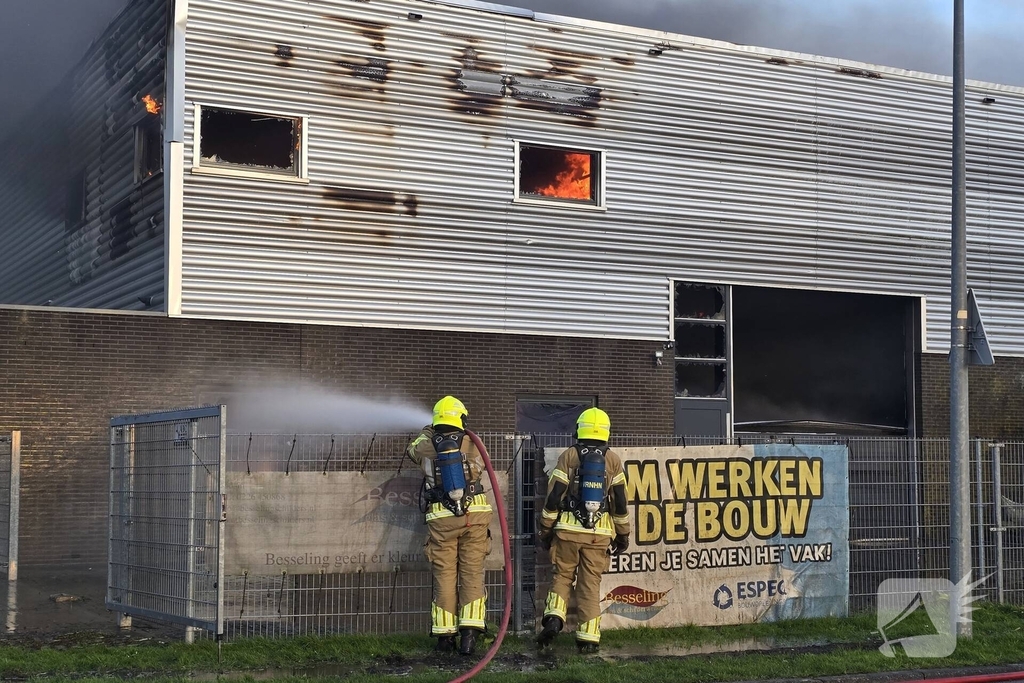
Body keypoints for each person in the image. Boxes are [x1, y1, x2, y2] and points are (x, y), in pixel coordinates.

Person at [536, 407, 630, 652]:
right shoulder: (613, 460)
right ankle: (588, 640)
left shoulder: (569, 456)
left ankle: (555, 618)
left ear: (579, 429)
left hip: (567, 530)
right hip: (599, 535)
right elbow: (619, 502)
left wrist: (545, 529)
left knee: (563, 576)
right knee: (590, 585)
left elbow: (555, 495)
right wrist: (623, 534)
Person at [407, 395, 493, 655]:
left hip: (442, 519)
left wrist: (427, 431)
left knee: (444, 576)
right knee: (472, 573)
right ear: (461, 417)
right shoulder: (472, 441)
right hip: (474, 516)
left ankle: (445, 639)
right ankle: (470, 635)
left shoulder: (426, 444)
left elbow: (412, 451)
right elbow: (482, 466)